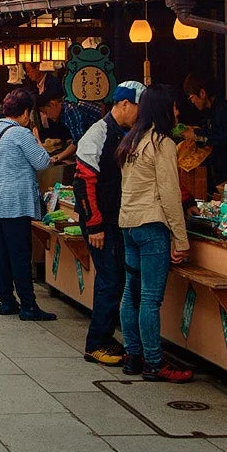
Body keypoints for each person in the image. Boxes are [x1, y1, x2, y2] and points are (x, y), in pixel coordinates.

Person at [117, 86, 192, 382]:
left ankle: (132, 356)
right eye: (174, 107)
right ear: (163, 109)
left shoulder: (131, 140)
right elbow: (170, 194)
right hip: (152, 227)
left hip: (129, 225)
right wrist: (181, 239)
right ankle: (154, 362)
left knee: (130, 294)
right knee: (149, 299)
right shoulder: (162, 144)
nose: (177, 113)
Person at [73, 81, 144, 367]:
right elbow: (83, 183)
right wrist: (95, 225)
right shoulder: (98, 133)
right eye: (139, 107)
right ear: (125, 104)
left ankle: (108, 335)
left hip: (118, 220)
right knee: (109, 279)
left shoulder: (127, 132)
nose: (141, 114)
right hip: (101, 222)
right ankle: (96, 343)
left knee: (117, 279)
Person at [0, 89, 58, 320]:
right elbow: (42, 161)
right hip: (16, 202)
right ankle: (28, 305)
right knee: (21, 254)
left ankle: (6, 301)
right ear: (25, 112)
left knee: (1, 254)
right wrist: (36, 138)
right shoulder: (21, 134)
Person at [182, 72, 227, 187]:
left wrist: (196, 135)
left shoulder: (225, 110)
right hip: (220, 172)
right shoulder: (210, 111)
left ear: (202, 93)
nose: (192, 102)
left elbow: (221, 137)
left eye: (191, 97)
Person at [36, 88, 77, 190]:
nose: (47, 116)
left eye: (45, 112)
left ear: (53, 104)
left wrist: (59, 157)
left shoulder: (70, 110)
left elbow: (78, 141)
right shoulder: (64, 113)